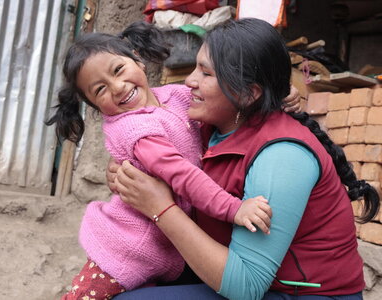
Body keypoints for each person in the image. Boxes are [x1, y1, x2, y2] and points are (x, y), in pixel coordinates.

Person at [111, 18, 380, 300]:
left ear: (248, 94)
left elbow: (247, 286)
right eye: (195, 68)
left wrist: (160, 208)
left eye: (205, 73)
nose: (189, 81)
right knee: (129, 279)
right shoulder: (212, 126)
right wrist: (123, 170)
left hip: (297, 293)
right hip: (242, 271)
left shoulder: (283, 156)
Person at [45, 21, 287, 300]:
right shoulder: (137, 131)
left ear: (138, 60)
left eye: (118, 70)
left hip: (162, 249)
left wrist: (280, 97)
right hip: (126, 249)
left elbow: (221, 98)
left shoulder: (173, 96)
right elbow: (183, 176)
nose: (118, 87)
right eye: (100, 90)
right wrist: (235, 209)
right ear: (95, 106)